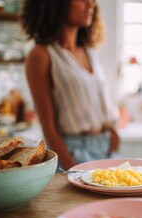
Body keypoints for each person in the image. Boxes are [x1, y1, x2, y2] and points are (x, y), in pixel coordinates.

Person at [20, 0, 120, 170]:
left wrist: (113, 134)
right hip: (72, 152)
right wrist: (73, 169)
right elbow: (48, 127)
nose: (91, 4)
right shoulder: (41, 56)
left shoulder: (90, 51)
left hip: (105, 148)